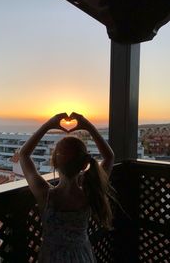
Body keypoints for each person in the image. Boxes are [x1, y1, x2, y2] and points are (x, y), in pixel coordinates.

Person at [19, 112, 114, 263]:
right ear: (85, 164)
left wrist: (49, 125)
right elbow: (109, 157)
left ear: (54, 163)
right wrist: (87, 125)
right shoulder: (91, 191)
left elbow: (23, 155)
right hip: (82, 256)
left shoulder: (46, 195)